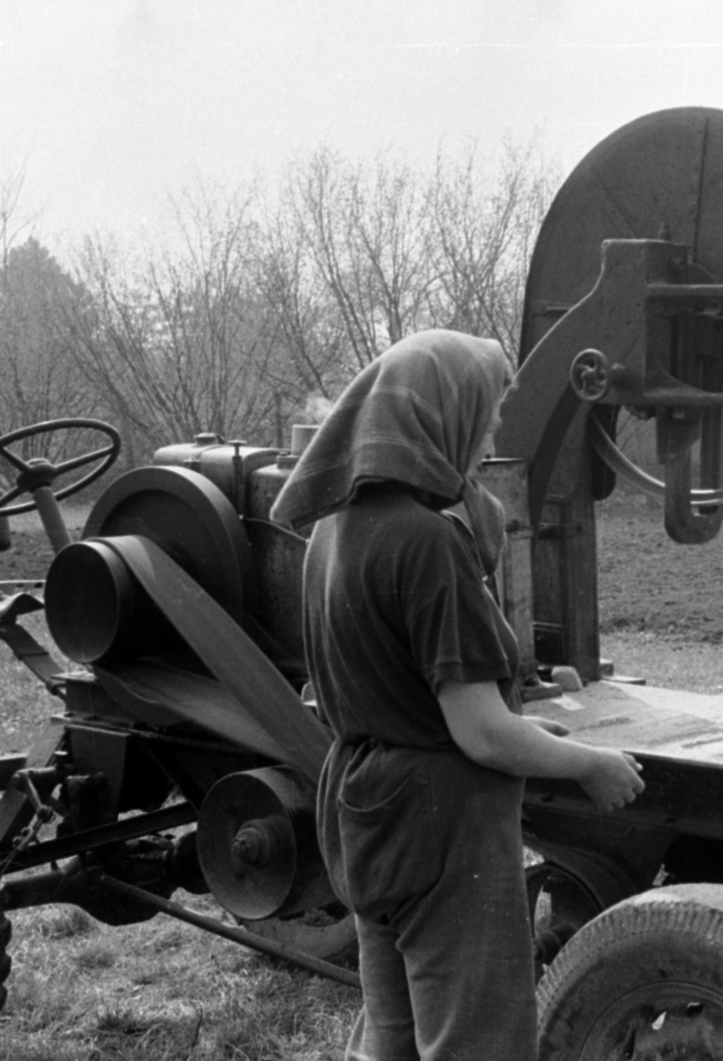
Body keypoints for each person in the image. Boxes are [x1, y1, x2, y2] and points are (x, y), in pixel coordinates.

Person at [270, 329, 646, 1060]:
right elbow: (479, 730)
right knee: (477, 1042)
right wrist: (589, 763)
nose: (492, 431)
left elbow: (384, 673)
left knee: (395, 1038)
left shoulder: (331, 533)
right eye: (487, 412)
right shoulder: (425, 543)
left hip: (362, 805)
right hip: (442, 821)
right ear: (442, 415)